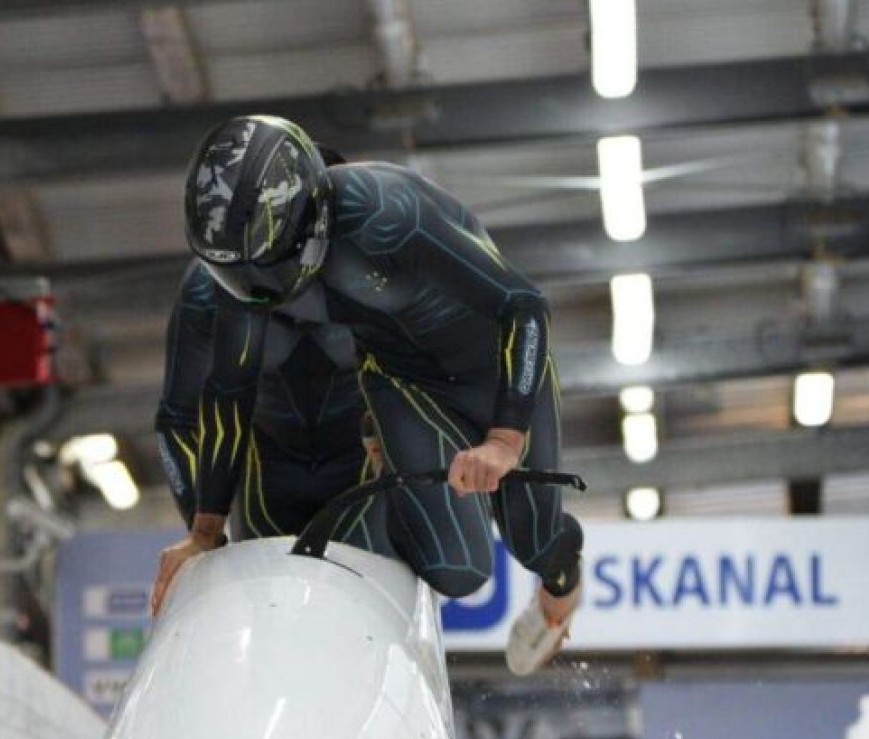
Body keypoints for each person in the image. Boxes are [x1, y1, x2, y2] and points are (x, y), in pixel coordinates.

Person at [152, 114, 583, 674]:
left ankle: (560, 595)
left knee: (535, 536)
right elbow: (226, 394)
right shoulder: (241, 284)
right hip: (400, 376)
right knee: (460, 572)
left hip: (488, 371)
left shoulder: (387, 215)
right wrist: (204, 532)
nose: (260, 293)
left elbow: (522, 306)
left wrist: (503, 438)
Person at [151, 258, 388, 613]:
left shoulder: (373, 269)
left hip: (361, 466)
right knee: (272, 613)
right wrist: (202, 533)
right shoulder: (208, 285)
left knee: (367, 609)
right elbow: (176, 418)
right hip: (268, 474)